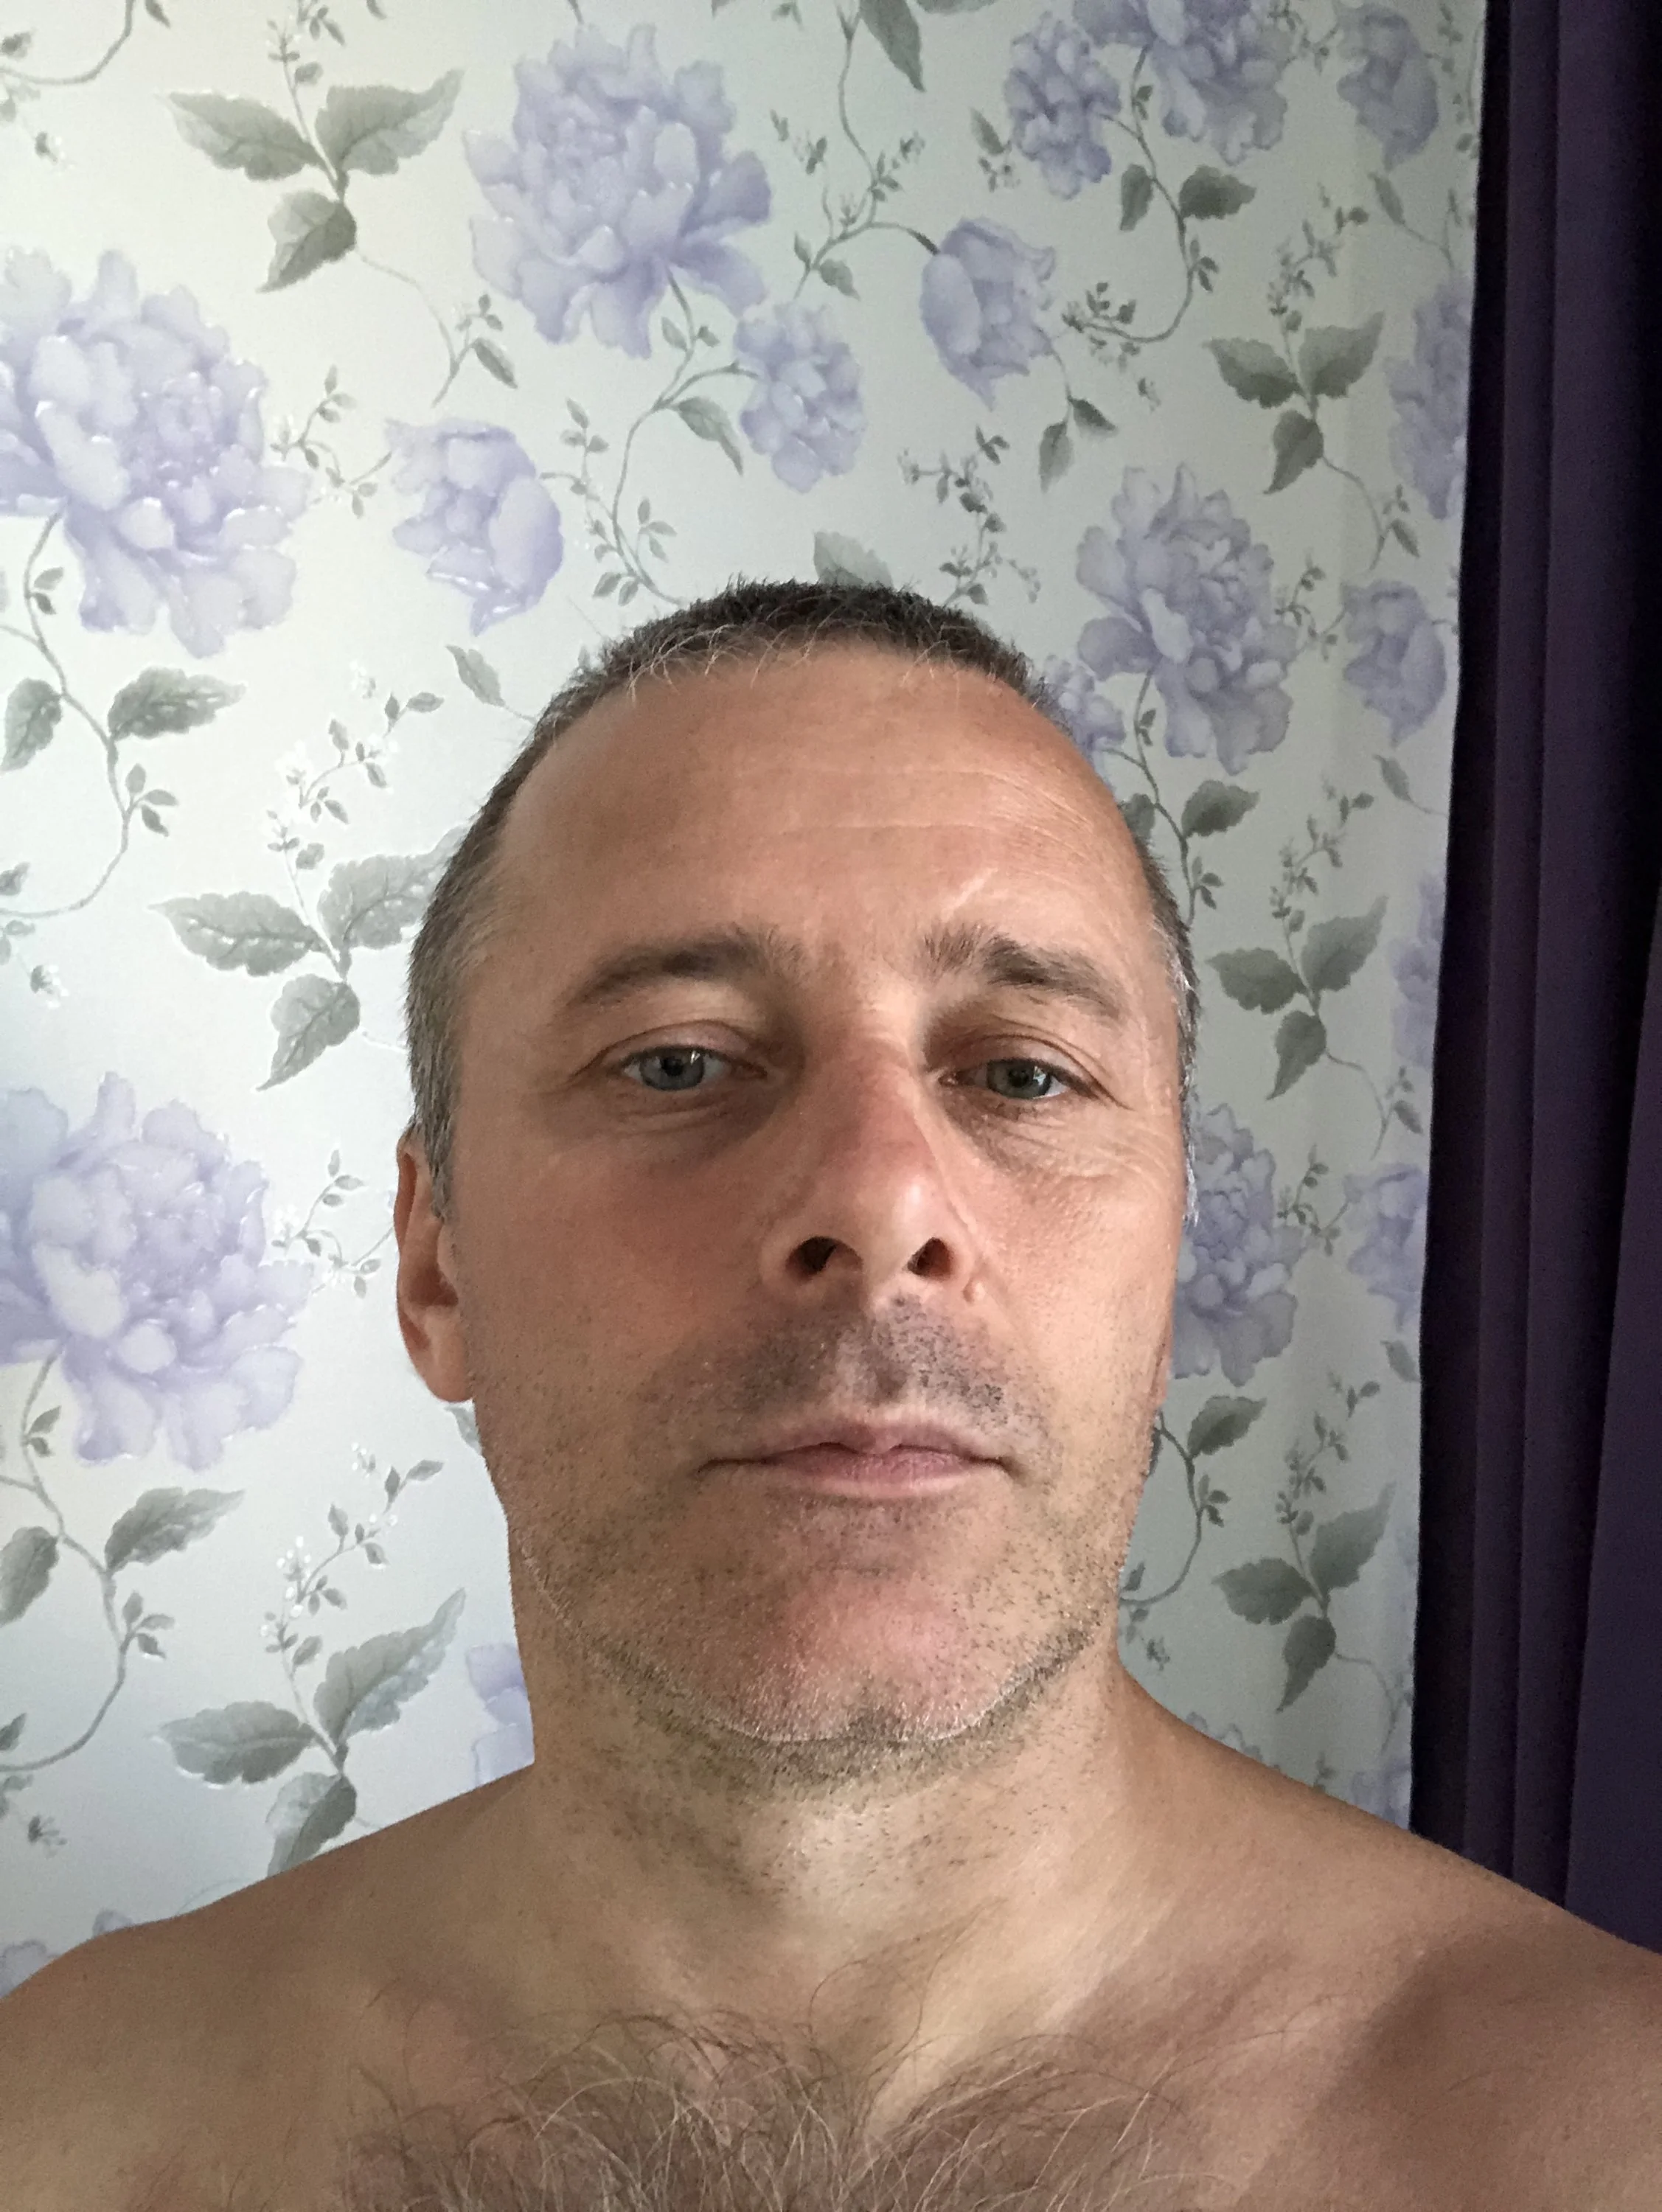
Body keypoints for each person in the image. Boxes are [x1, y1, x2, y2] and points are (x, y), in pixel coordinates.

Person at [4, 580, 1661, 2212]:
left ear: (1161, 1283)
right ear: (439, 1267)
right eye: (676, 1062)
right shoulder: (65, 2128)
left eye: (1020, 1074)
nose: (880, 1202)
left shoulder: (1598, 2141)